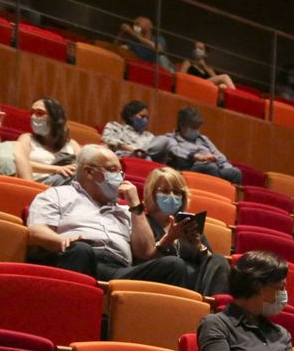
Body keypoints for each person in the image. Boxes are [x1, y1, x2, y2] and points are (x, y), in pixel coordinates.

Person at [25, 144, 194, 284]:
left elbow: (146, 253)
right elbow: (36, 232)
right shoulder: (58, 195)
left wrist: (136, 206)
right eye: (113, 170)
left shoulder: (126, 211)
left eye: (121, 173)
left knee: (174, 265)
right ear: (89, 172)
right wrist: (64, 241)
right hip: (75, 256)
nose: (119, 178)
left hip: (118, 269)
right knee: (81, 251)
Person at [141, 166, 231, 295]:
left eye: (177, 192)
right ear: (151, 193)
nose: (172, 196)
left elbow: (210, 264)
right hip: (161, 284)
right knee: (177, 264)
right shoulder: (143, 222)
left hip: (196, 285)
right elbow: (143, 259)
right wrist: (169, 239)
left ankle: (210, 309)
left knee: (219, 259)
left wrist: (199, 246)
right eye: (165, 191)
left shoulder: (187, 223)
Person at [145, 106, 242, 185]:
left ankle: (227, 195)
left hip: (214, 169)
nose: (196, 130)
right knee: (209, 167)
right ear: (182, 125)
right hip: (188, 170)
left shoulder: (203, 139)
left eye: (198, 127)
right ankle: (218, 190)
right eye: (193, 127)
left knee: (235, 172)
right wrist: (199, 157)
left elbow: (221, 157)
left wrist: (221, 163)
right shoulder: (171, 139)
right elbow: (177, 151)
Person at [14, 98, 79, 186]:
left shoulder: (72, 144)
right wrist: (57, 169)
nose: (33, 117)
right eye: (32, 113)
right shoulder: (27, 138)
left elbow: (84, 165)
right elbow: (20, 163)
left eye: (39, 113)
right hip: (41, 185)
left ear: (54, 117)